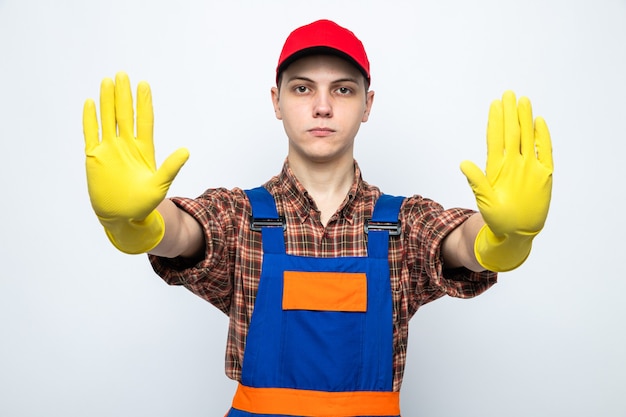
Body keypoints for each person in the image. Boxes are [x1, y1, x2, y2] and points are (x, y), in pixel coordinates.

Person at [83, 19, 553, 417]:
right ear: (276, 101)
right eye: (302, 87)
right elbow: (186, 231)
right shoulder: (241, 217)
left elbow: (457, 240)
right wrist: (140, 222)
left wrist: (502, 236)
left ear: (368, 104)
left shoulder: (401, 225)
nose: (322, 105)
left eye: (343, 89)